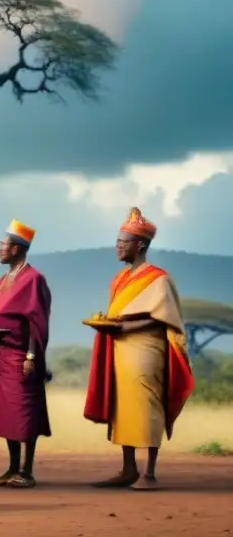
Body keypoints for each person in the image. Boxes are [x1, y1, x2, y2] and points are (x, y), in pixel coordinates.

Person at [84, 208, 195, 490]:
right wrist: (110, 325)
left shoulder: (159, 278)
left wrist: (123, 328)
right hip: (120, 349)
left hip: (146, 351)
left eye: (124, 242)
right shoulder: (119, 278)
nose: (118, 247)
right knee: (122, 407)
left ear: (140, 245)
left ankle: (150, 473)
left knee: (148, 407)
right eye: (118, 241)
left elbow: (163, 317)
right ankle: (128, 469)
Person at [0, 221, 52, 488]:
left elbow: (37, 321)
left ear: (17, 249)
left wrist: (32, 356)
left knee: (25, 413)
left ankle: (27, 471)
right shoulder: (1, 281)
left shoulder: (33, 279)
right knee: (8, 414)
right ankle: (11, 468)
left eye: (3, 245)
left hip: (21, 356)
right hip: (0, 356)